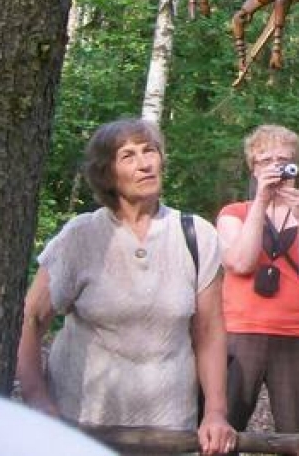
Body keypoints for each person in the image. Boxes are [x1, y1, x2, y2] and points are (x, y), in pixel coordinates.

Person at [15, 118, 235, 455]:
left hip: (169, 424)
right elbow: (28, 321)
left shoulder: (197, 235)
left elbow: (209, 330)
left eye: (150, 151)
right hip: (82, 422)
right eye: (128, 156)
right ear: (107, 173)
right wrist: (38, 401)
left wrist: (216, 413)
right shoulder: (81, 236)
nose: (145, 164)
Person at [215, 125, 299, 441]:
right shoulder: (233, 213)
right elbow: (240, 262)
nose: (274, 167)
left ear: (296, 165)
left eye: (283, 160)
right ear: (252, 168)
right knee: (223, 431)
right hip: (240, 333)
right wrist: (260, 203)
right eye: (265, 160)